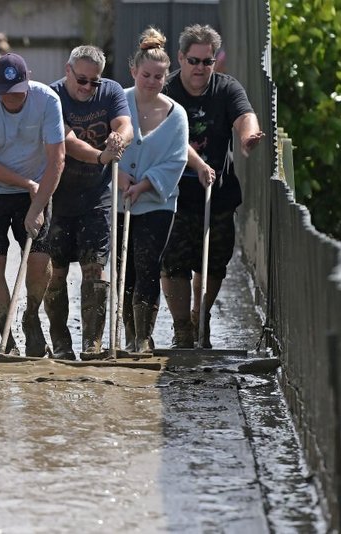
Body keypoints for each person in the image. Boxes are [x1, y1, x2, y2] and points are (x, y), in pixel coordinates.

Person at [161, 24, 264, 348]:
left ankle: (200, 314)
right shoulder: (166, 90)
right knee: (173, 262)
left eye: (207, 62)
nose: (200, 69)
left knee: (215, 262)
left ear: (214, 62)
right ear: (181, 58)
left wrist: (248, 137)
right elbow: (163, 134)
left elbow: (245, 115)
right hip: (174, 193)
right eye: (194, 61)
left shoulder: (226, 88)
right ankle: (182, 328)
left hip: (216, 194)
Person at [0, 53, 65, 356]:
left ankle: (31, 315)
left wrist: (36, 206)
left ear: (28, 80)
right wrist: (25, 184)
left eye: (18, 93)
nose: (11, 100)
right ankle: (7, 340)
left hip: (37, 188)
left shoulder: (47, 101)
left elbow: (57, 159)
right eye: (5, 94)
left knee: (39, 263)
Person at [46, 45, 132, 359]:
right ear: (68, 70)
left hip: (96, 196)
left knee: (95, 269)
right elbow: (66, 141)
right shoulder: (52, 96)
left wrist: (118, 137)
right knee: (54, 272)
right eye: (81, 79)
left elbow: (126, 124)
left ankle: (92, 344)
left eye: (93, 82)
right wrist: (100, 156)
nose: (86, 88)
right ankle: (60, 342)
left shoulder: (111, 92)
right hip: (57, 195)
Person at [117, 27, 188, 353]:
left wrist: (144, 185)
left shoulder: (177, 115)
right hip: (118, 201)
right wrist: (119, 177)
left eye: (159, 77)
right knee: (123, 268)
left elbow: (175, 160)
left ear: (166, 77)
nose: (151, 81)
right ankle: (128, 332)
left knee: (148, 266)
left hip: (157, 201)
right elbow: (105, 143)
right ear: (134, 71)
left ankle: (143, 338)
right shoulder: (118, 101)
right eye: (146, 75)